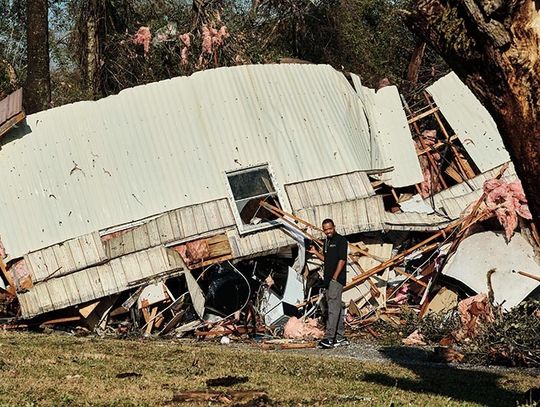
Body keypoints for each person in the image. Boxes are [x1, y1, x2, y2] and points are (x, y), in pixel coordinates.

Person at [308, 218, 349, 349]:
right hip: (328, 281)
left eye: (330, 229)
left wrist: (335, 277)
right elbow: (327, 260)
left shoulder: (341, 240)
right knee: (335, 307)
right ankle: (340, 337)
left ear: (334, 227)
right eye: (325, 230)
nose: (328, 231)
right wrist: (315, 252)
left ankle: (329, 338)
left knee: (332, 309)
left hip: (335, 280)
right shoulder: (327, 242)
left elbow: (342, 259)